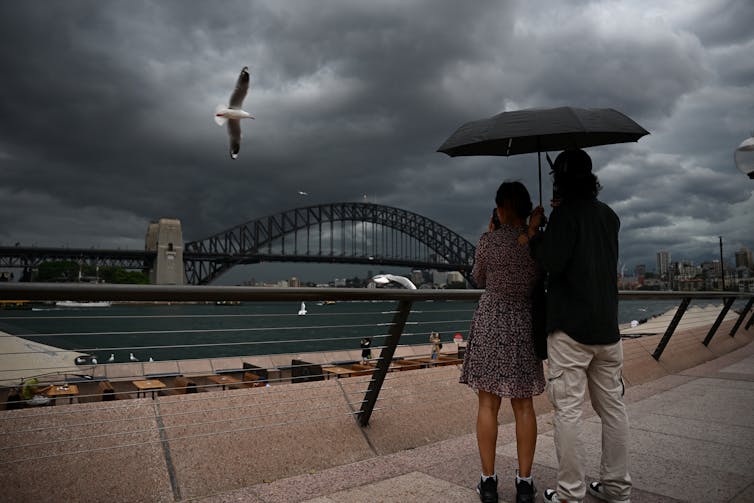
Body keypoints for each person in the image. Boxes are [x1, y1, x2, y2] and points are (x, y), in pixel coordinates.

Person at [528, 149, 631, 503]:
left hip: (570, 330)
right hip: (607, 328)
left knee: (568, 413)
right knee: (613, 410)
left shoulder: (564, 217)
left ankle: (571, 494)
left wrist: (536, 234)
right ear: (591, 178)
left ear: (559, 180)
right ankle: (617, 488)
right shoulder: (610, 216)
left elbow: (551, 262)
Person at [460, 181, 545, 503]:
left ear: (502, 208)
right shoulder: (537, 242)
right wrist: (533, 230)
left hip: (492, 321)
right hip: (524, 322)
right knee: (524, 406)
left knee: (488, 404)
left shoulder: (488, 241)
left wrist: (492, 234)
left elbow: (480, 278)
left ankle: (489, 482)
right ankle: (525, 484)